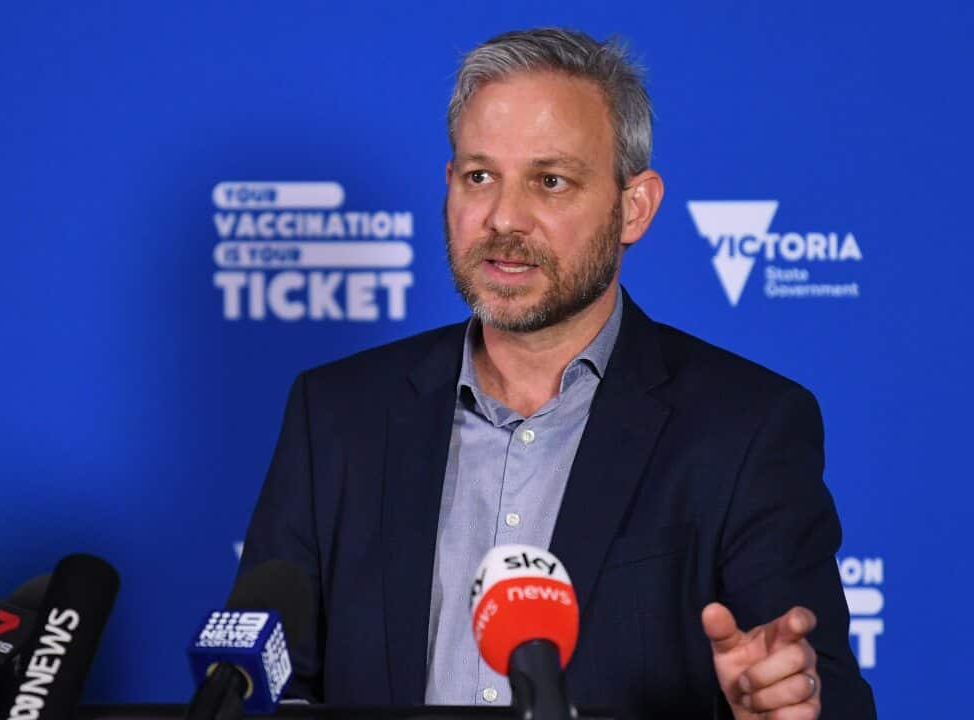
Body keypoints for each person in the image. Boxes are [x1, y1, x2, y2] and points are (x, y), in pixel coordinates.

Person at [236, 27, 876, 719]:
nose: (504, 217)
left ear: (633, 207)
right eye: (480, 176)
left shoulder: (746, 428)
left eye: (550, 180)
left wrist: (780, 707)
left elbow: (821, 694)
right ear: (450, 186)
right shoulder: (333, 414)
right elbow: (266, 690)